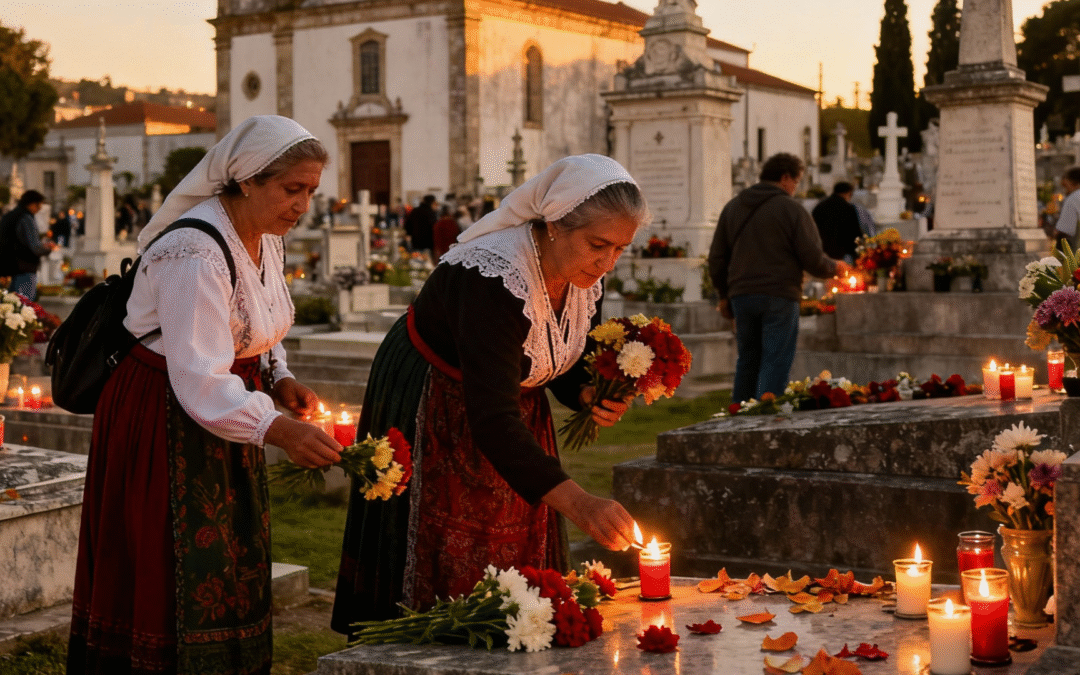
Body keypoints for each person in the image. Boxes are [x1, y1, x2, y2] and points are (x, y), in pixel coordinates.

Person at [67, 116, 342, 675]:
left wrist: (278, 374)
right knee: (172, 555)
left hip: (222, 409)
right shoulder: (194, 249)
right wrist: (278, 428)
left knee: (226, 554)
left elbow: (259, 323)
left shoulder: (264, 242)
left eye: (311, 191)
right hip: (162, 412)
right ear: (245, 180)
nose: (303, 205)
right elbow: (197, 373)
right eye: (293, 189)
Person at [331, 154, 645, 633]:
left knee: (512, 537)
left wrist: (584, 392)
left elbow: (554, 352)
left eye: (621, 249)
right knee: (443, 543)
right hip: (434, 393)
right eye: (599, 245)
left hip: (500, 401)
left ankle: (511, 631)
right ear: (556, 224)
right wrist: (581, 503)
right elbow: (494, 418)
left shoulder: (584, 277)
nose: (607, 263)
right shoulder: (492, 278)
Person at [708, 153, 850, 403]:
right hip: (779, 295)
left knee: (747, 361)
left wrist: (723, 295)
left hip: (741, 295)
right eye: (796, 182)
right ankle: (766, 420)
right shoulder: (791, 209)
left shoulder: (733, 207)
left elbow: (718, 257)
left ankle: (738, 420)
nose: (795, 188)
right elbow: (811, 257)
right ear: (785, 178)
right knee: (775, 360)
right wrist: (835, 268)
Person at [0, 190, 57, 300]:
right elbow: (35, 247)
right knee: (24, 305)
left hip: (8, 268)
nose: (40, 208)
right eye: (39, 204)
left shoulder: (9, 216)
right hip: (24, 267)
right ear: (32, 203)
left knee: (12, 304)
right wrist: (49, 248)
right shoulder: (26, 219)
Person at [811, 181, 863, 263]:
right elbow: (854, 232)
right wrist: (858, 253)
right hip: (841, 252)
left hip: (821, 250)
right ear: (848, 193)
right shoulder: (847, 208)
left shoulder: (819, 207)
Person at [1054, 167, 1080, 251]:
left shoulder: (1073, 198)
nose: (1065, 189)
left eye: (1065, 185)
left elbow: (1066, 230)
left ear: (1073, 182)